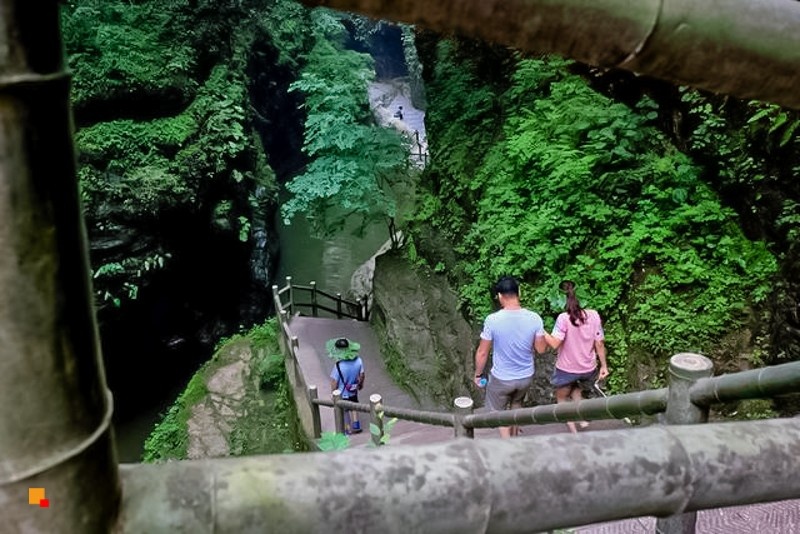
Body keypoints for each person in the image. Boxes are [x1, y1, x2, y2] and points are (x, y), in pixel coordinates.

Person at [474, 276, 547, 438]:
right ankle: (515, 439)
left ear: (500, 296)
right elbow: (541, 349)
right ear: (519, 292)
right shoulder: (535, 318)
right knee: (516, 404)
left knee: (498, 412)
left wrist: (478, 375)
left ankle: (509, 444)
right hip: (525, 376)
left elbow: (482, 352)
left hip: (502, 378)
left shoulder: (492, 320)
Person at [544, 280, 609, 434]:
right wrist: (604, 366)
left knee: (561, 398)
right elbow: (599, 343)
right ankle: (582, 420)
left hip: (567, 369)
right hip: (588, 369)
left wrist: (540, 329)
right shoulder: (594, 315)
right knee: (576, 390)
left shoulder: (563, 318)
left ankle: (573, 431)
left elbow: (554, 344)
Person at [329, 338, 365, 434]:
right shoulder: (358, 361)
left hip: (342, 392)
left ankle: (347, 428)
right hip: (353, 389)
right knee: (354, 406)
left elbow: (334, 382)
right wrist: (360, 384)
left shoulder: (338, 366)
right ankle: (356, 424)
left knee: (344, 410)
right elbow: (362, 375)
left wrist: (333, 393)